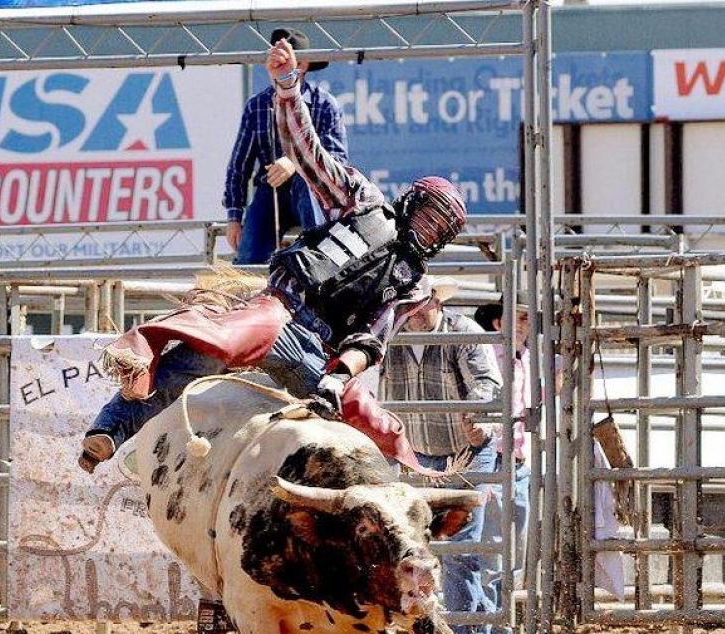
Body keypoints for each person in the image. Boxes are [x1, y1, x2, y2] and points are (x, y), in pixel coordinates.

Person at [78, 37, 468, 475]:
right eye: (428, 218)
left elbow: (372, 338)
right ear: (411, 203)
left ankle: (398, 499)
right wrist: (287, 88)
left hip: (320, 353)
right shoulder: (364, 199)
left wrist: (337, 382)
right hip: (279, 311)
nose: (428, 231)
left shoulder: (415, 283)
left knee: (372, 433)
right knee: (206, 352)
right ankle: (110, 430)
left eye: (439, 229)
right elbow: (311, 157)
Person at [380, 280, 502, 634]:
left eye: (417, 304)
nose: (412, 312)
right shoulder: (388, 333)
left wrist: (479, 418)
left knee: (458, 550)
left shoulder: (463, 331)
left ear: (435, 300)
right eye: (406, 305)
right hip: (416, 455)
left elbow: (487, 385)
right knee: (433, 553)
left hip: (465, 454)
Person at [224, 28, 348, 265]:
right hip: (270, 193)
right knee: (249, 261)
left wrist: (296, 162)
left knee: (321, 255)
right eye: (277, 62)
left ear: (304, 65)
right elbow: (238, 167)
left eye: (291, 62)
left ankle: (321, 267)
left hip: (314, 193)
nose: (284, 68)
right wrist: (234, 217)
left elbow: (338, 162)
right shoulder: (257, 106)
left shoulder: (326, 104)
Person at [470, 295, 532, 634]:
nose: (525, 323)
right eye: (519, 316)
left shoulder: (524, 358)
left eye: (527, 318)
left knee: (506, 558)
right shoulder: (491, 356)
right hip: (496, 458)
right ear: (498, 322)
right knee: (491, 554)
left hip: (517, 461)